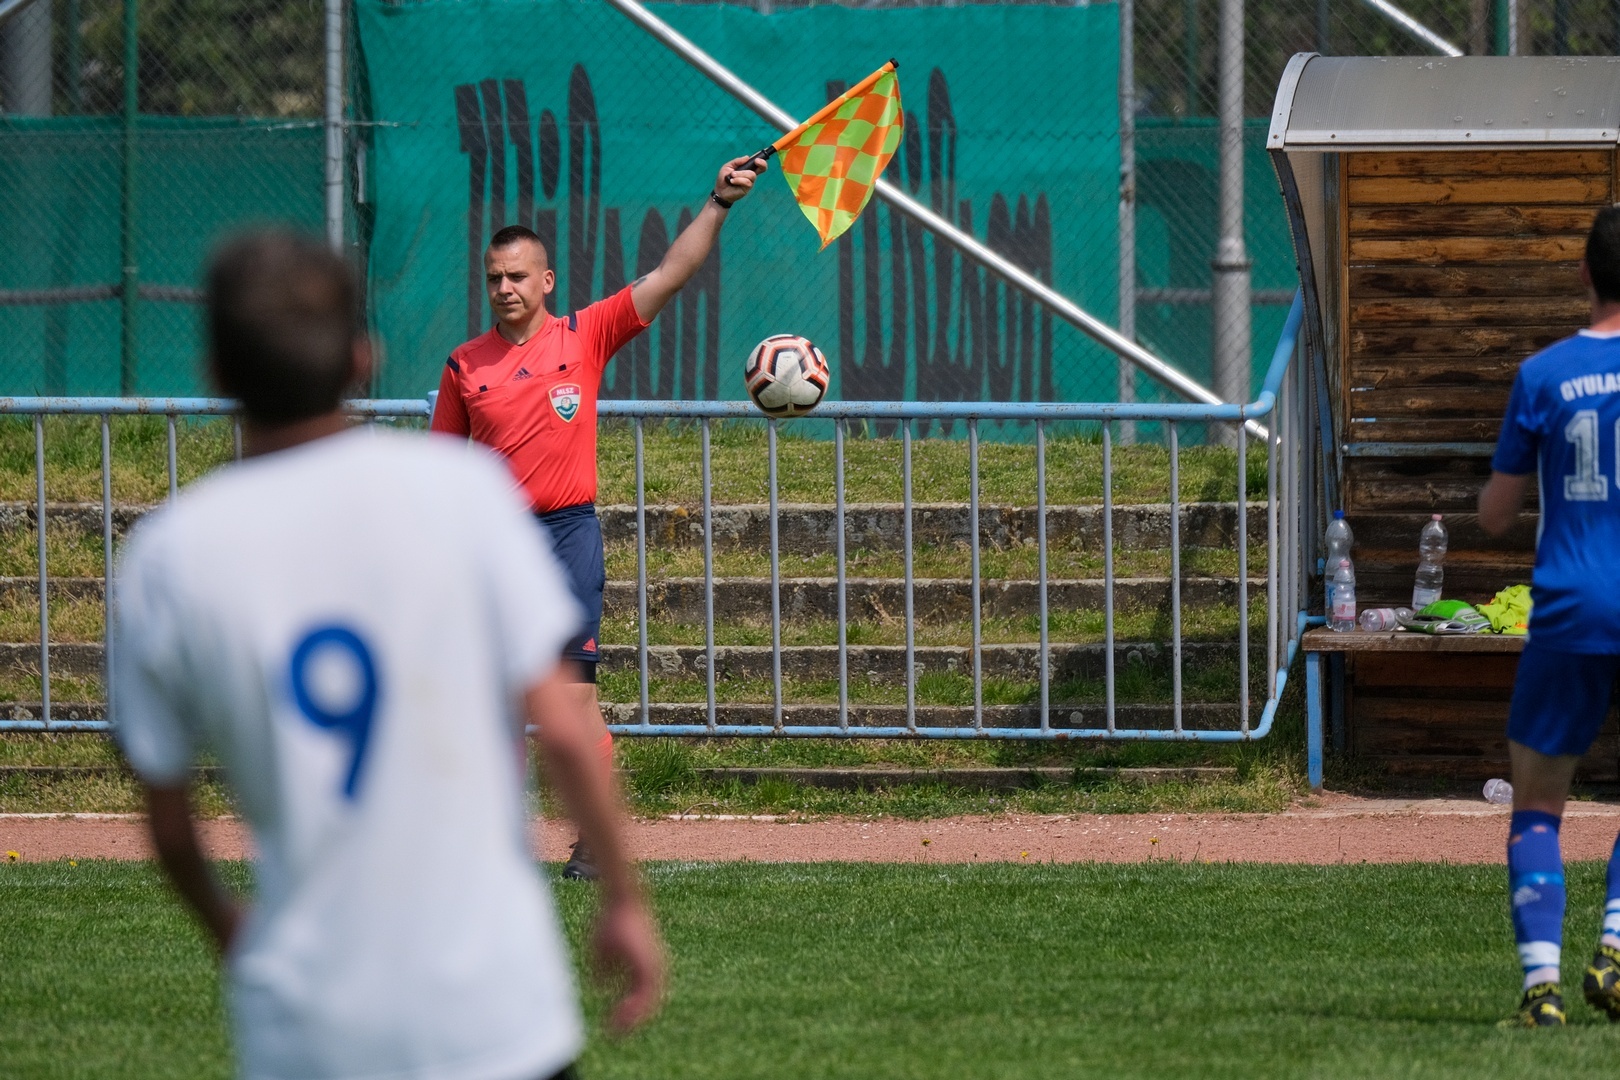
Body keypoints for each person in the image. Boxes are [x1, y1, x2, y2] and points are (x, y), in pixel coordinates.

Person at [115, 229, 664, 1080]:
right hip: (492, 1009)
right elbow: (560, 731)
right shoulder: (466, 497)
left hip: (310, 1028)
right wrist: (623, 900)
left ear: (215, 373)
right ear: (361, 359)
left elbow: (168, 819)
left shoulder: (167, 555)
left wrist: (231, 932)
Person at [431, 155, 766, 878]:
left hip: (567, 538)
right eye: (493, 278)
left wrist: (718, 202)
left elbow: (670, 274)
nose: (504, 288)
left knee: (574, 698)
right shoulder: (463, 365)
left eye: (517, 276)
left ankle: (593, 841)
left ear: (546, 280)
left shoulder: (585, 334)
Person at [1480, 205, 1620, 1028]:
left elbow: (1498, 514)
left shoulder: (1544, 375)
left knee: (1537, 806)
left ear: (1584, 273)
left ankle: (1543, 991)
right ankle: (1615, 949)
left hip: (1571, 605)